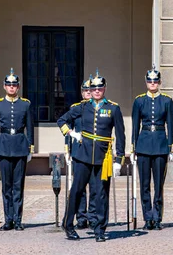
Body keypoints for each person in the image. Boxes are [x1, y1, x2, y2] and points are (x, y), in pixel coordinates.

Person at [57, 69, 125, 242]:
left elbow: (121, 135)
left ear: (104, 89)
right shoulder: (82, 107)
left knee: (101, 193)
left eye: (99, 88)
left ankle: (100, 229)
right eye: (93, 88)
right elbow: (62, 120)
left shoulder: (113, 108)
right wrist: (72, 134)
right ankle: (68, 224)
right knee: (76, 192)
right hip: (83, 155)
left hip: (103, 157)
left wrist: (118, 160)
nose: (96, 91)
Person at [131, 66, 173, 230]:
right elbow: (135, 125)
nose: (152, 83)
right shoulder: (139, 100)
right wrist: (133, 147)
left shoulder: (166, 101)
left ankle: (157, 218)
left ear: (160, 83)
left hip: (160, 145)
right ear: (146, 82)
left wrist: (170, 146)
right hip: (143, 145)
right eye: (150, 81)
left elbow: (171, 124)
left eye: (155, 81)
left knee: (158, 185)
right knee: (144, 185)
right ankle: (147, 218)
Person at [0, 68, 34, 231]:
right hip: (4, 146)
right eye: (9, 85)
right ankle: (8, 219)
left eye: (14, 85)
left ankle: (18, 219)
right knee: (6, 186)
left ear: (18, 87)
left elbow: (30, 127)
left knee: (18, 185)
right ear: (4, 86)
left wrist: (30, 147)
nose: (11, 88)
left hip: (20, 146)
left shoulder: (25, 104)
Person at [70, 77, 96, 229]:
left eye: (89, 90)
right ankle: (81, 217)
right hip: (78, 151)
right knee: (79, 187)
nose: (88, 93)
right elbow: (70, 127)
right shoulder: (76, 107)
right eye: (85, 91)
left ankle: (92, 216)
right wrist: (68, 149)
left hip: (93, 151)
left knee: (94, 186)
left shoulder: (97, 108)